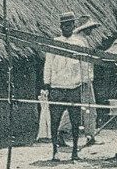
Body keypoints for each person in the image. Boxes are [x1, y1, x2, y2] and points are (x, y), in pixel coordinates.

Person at [42, 12, 88, 161]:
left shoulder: (79, 44)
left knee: (75, 122)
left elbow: (84, 65)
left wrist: (85, 82)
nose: (67, 28)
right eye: (64, 25)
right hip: (57, 87)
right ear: (61, 27)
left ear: (74, 26)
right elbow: (48, 64)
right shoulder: (54, 42)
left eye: (70, 25)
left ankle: (75, 152)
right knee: (55, 121)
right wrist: (47, 84)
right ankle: (55, 152)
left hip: (74, 87)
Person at [56, 16, 101, 147]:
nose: (91, 31)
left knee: (82, 108)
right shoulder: (78, 41)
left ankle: (88, 135)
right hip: (82, 80)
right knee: (86, 108)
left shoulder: (82, 40)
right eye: (89, 28)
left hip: (83, 78)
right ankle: (66, 132)